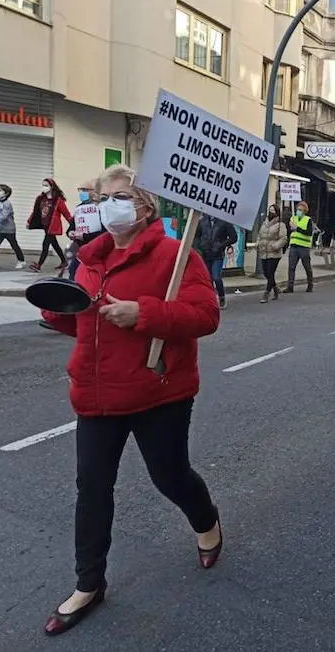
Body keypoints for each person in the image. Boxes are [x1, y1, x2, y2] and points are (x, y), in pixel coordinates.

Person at [40, 164, 222, 636]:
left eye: (117, 197)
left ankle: (207, 521)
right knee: (92, 488)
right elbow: (79, 319)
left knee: (170, 476)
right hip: (96, 395)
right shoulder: (88, 257)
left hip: (157, 391)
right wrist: (58, 307)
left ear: (144, 206)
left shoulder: (175, 255)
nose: (107, 208)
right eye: (101, 200)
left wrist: (144, 312)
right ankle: (89, 584)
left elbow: (205, 315)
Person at [64, 180, 106, 280]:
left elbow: (105, 232)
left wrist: (84, 236)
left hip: (96, 251)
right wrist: (70, 233)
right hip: (80, 251)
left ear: (94, 191)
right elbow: (71, 228)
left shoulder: (101, 209)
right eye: (80, 190)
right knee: (73, 276)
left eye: (85, 190)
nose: (82, 192)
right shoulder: (79, 209)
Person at [28, 178, 72, 273]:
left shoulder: (58, 200)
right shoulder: (40, 199)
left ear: (52, 187)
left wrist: (73, 225)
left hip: (53, 226)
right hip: (45, 225)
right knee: (54, 244)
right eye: (43, 185)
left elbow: (66, 213)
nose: (44, 187)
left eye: (46, 185)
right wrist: (29, 221)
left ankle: (39, 265)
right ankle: (64, 261)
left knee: (45, 244)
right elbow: (35, 211)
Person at [193, 216, 237, 308]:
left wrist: (221, 245)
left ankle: (221, 297)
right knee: (207, 279)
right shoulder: (202, 221)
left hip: (218, 254)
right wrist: (199, 248)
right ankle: (210, 299)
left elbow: (233, 237)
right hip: (205, 254)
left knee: (216, 276)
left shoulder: (224, 221)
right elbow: (196, 236)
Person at [257, 203, 288, 303]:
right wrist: (259, 243)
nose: (270, 213)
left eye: (272, 211)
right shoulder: (264, 223)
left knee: (270, 272)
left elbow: (283, 239)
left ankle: (266, 292)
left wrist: (275, 246)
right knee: (266, 273)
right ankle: (275, 288)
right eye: (269, 211)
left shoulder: (280, 225)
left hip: (274, 253)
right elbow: (260, 234)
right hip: (263, 251)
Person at [285, 201, 314, 293]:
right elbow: (289, 232)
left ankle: (310, 284)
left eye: (300, 210)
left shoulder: (308, 220)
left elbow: (309, 232)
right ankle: (290, 286)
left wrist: (297, 228)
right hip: (294, 246)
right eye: (297, 209)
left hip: (304, 247)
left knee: (307, 267)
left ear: (305, 211)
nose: (298, 211)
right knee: (291, 267)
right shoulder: (293, 219)